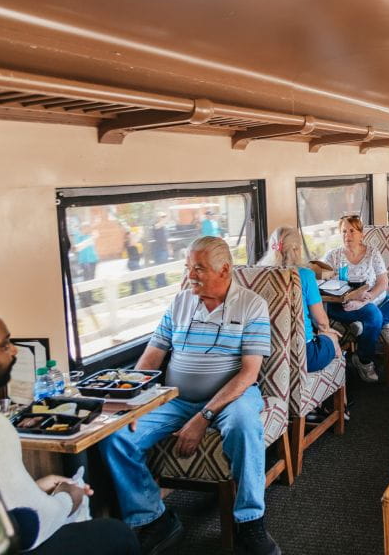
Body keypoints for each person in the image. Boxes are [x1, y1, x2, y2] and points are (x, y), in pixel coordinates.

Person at [99, 236, 280, 555]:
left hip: (233, 396)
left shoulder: (251, 305)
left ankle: (250, 520)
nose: (190, 275)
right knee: (114, 436)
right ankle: (152, 519)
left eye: (199, 268)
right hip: (175, 398)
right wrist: (129, 403)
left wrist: (203, 417)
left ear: (224, 269)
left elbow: (248, 373)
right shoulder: (180, 302)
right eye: (187, 267)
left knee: (243, 425)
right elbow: (151, 357)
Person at [0, 306, 139, 554]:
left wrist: (36, 488)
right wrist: (69, 497)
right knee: (115, 534)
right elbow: (27, 530)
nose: (14, 350)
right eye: (4, 346)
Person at [321, 215, 389, 383]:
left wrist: (367, 298)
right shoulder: (332, 256)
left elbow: (382, 282)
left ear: (361, 234)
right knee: (373, 315)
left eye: (351, 231)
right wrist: (330, 278)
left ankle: (364, 326)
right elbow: (320, 281)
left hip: (373, 300)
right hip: (343, 305)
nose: (347, 235)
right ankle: (364, 360)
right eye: (343, 231)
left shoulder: (372, 252)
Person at [258, 226, 342, 372]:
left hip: (266, 357)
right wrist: (327, 333)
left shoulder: (258, 274)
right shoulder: (305, 275)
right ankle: (341, 385)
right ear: (296, 249)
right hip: (303, 356)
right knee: (333, 339)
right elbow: (322, 322)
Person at [125, 230, 151, 295]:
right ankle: (147, 290)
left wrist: (138, 233)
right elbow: (135, 239)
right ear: (128, 236)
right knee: (139, 277)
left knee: (137, 278)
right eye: (130, 234)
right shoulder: (128, 242)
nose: (132, 234)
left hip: (134, 263)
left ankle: (145, 291)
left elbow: (137, 238)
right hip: (132, 263)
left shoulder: (132, 241)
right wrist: (139, 232)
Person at [150, 211, 171, 288]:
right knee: (159, 267)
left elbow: (166, 239)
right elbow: (158, 225)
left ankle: (163, 282)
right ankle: (159, 284)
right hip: (158, 250)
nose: (164, 218)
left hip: (164, 249)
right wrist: (165, 218)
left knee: (164, 267)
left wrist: (169, 249)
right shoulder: (155, 225)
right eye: (162, 217)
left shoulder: (164, 227)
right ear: (158, 218)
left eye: (164, 217)